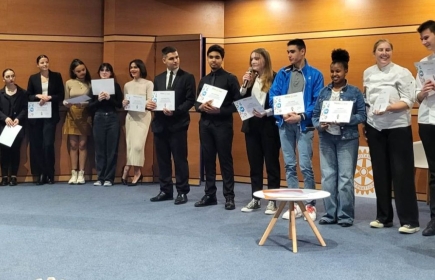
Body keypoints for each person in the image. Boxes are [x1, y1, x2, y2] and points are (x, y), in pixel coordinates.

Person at [364, 39, 419, 234]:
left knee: (402, 174)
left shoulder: (402, 72)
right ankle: (383, 217)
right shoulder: (368, 73)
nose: (384, 53)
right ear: (374, 52)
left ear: (392, 52)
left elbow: (408, 100)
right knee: (380, 173)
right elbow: (367, 99)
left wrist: (388, 107)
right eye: (380, 50)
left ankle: (410, 221)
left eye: (388, 50)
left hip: (398, 128)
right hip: (375, 128)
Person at [269, 39, 324, 221]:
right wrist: (283, 112)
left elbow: (317, 102)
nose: (289, 55)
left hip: (303, 125)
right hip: (285, 124)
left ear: (303, 52)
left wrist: (301, 116)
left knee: (305, 166)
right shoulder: (283, 73)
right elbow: (273, 96)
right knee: (289, 165)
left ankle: (309, 205)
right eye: (288, 52)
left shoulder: (315, 74)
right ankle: (294, 205)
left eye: (293, 51)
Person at [312, 49, 366, 227]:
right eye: (333, 71)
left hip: (347, 140)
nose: (335, 74)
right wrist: (320, 124)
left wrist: (346, 119)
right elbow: (315, 115)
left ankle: (345, 215)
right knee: (328, 177)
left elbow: (362, 115)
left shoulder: (355, 92)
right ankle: (329, 213)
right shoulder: (323, 92)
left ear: (345, 72)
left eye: (338, 71)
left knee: (345, 178)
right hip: (327, 139)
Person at [194, 44, 241, 210]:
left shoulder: (230, 78)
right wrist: (200, 107)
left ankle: (229, 197)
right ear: (207, 59)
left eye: (217, 57)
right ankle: (210, 195)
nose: (213, 60)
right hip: (205, 124)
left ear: (222, 59)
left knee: (225, 160)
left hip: (223, 125)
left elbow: (238, 104)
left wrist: (220, 110)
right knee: (208, 160)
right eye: (211, 57)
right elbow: (196, 102)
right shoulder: (204, 80)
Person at [149, 47, 196, 204]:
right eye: (171, 58)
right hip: (160, 124)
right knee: (163, 160)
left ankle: (182, 191)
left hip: (178, 124)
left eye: (177, 57)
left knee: (180, 159)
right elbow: (156, 100)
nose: (175, 60)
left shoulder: (187, 77)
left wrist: (175, 111)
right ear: (164, 61)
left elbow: (190, 100)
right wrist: (150, 104)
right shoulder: (158, 78)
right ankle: (165, 190)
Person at [239, 48, 281, 214]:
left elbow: (278, 102)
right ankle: (256, 198)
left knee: (271, 164)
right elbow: (241, 100)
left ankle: (272, 200)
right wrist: (244, 86)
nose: (253, 62)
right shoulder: (250, 79)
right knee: (255, 164)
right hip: (252, 126)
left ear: (265, 60)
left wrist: (267, 112)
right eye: (251, 59)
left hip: (269, 125)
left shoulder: (276, 77)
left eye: (257, 58)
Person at [27, 55, 64, 185]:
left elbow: (61, 95)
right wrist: (38, 96)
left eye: (46, 62)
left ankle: (50, 173)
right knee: (37, 145)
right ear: (37, 65)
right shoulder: (33, 78)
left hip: (50, 115)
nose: (45, 64)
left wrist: (49, 98)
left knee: (48, 144)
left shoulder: (56, 76)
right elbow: (29, 96)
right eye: (42, 62)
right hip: (36, 116)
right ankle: (41, 173)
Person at [88, 63, 123, 186]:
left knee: (111, 149)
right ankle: (100, 177)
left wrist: (109, 98)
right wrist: (98, 100)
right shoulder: (94, 87)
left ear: (111, 73)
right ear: (99, 73)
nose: (104, 72)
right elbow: (89, 107)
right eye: (102, 70)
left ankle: (109, 178)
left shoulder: (115, 86)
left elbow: (120, 104)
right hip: (98, 117)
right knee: (99, 149)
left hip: (112, 118)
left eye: (107, 70)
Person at [416, 20, 435, 236]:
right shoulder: (423, 63)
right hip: (427, 121)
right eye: (421, 39)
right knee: (433, 173)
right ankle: (434, 220)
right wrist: (423, 91)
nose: (423, 41)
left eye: (426, 37)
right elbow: (417, 96)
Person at [122, 59, 153, 186]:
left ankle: (127, 168)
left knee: (137, 146)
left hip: (143, 117)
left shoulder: (148, 83)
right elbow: (125, 103)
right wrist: (124, 103)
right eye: (131, 67)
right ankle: (137, 172)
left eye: (135, 67)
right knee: (130, 146)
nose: (133, 69)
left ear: (141, 68)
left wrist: (141, 102)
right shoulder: (127, 85)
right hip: (130, 117)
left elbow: (150, 102)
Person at [63, 59, 92, 185]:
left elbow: (91, 100)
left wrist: (84, 103)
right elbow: (65, 100)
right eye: (79, 71)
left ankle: (82, 173)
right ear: (74, 72)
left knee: (83, 145)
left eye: (83, 70)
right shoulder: (69, 82)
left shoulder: (90, 83)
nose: (82, 72)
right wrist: (66, 104)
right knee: (73, 145)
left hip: (85, 114)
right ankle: (73, 173)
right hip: (72, 114)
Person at [0, 69, 27, 186]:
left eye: (12, 76)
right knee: (4, 151)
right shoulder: (0, 93)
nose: (11, 78)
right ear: (3, 79)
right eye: (8, 76)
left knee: (15, 151)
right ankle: (5, 176)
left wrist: (19, 118)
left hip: (17, 126)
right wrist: (5, 118)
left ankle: (14, 176)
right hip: (3, 126)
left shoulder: (22, 93)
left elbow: (26, 108)